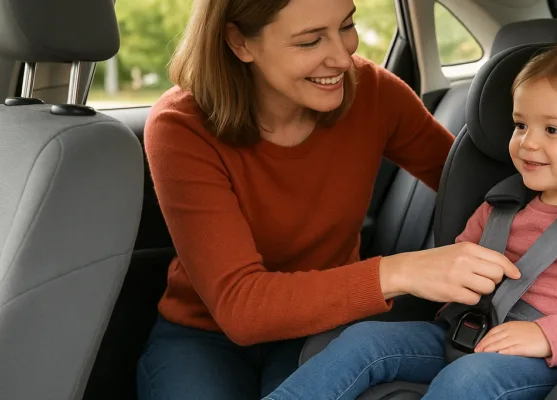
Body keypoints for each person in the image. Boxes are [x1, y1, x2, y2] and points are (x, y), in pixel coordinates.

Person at [136, 0, 523, 399]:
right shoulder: (181, 126)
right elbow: (241, 307)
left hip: (324, 326)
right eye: (310, 41)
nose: (343, 57)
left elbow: (479, 192)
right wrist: (400, 273)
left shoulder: (373, 92)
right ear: (239, 42)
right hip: (205, 336)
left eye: (347, 25)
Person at [262, 42, 557, 400]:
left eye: (552, 129)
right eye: (521, 125)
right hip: (466, 331)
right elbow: (452, 268)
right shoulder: (500, 206)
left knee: (471, 379)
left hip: (546, 358)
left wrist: (545, 336)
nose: (528, 142)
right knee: (362, 341)